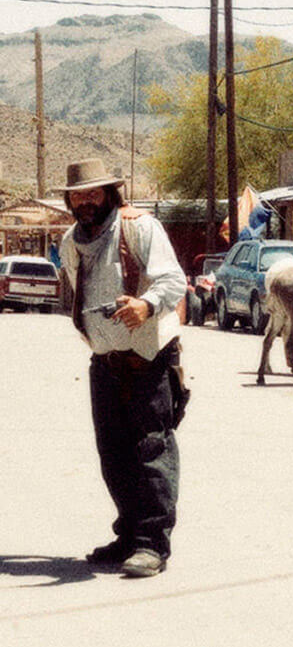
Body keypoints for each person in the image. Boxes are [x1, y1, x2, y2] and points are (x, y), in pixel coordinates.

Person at [58, 158, 187, 578]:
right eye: (78, 194)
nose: (85, 201)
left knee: (151, 450)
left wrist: (145, 305)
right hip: (105, 364)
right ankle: (129, 536)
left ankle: (152, 546)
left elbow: (173, 281)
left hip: (147, 360)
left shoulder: (140, 229)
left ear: (110, 193)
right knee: (113, 456)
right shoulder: (69, 242)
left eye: (93, 193)